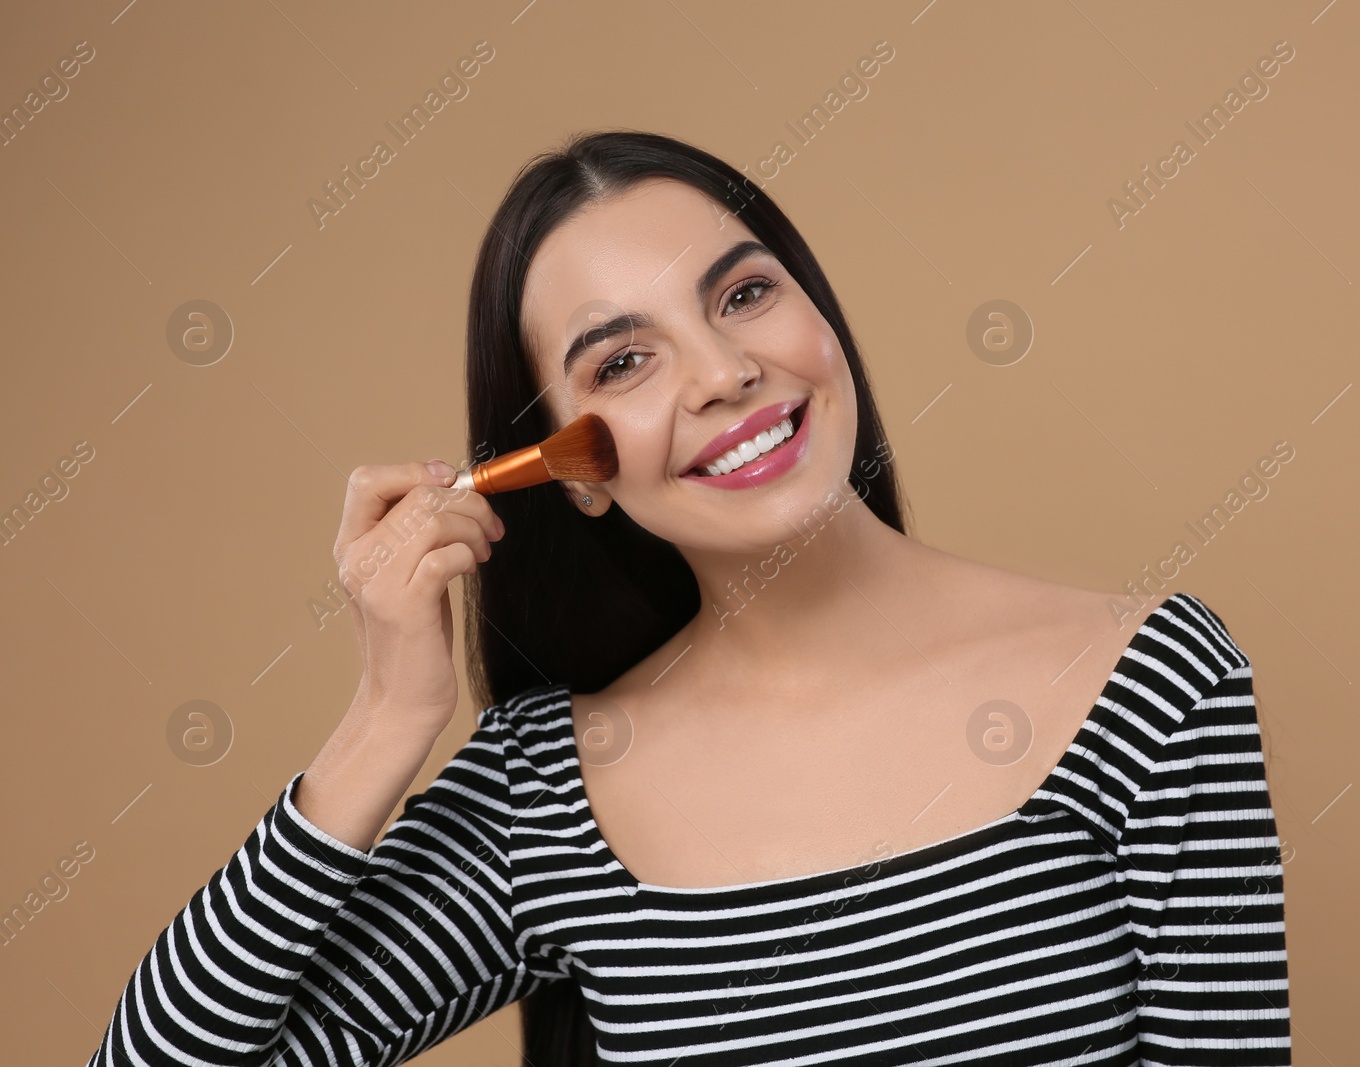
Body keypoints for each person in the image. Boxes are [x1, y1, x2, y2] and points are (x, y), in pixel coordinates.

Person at [85, 129, 1290, 1066]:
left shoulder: (1156, 680)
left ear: (818, 310)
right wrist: (385, 718)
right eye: (622, 361)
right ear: (573, 470)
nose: (723, 373)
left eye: (744, 293)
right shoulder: (543, 792)